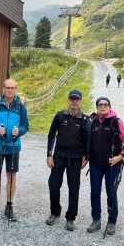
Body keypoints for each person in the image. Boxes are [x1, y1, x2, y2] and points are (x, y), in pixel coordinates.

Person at [0, 79, 29, 221]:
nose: (10, 90)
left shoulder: (21, 107)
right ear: (3, 88)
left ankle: (9, 207)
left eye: (12, 88)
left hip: (13, 146)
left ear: (16, 89)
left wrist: (19, 131)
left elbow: (25, 125)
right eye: (7, 87)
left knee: (11, 176)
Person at [87, 96, 124, 235]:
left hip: (112, 165)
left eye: (105, 104)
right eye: (100, 104)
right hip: (95, 163)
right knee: (94, 192)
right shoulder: (93, 121)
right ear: (97, 107)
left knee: (111, 192)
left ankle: (112, 222)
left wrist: (119, 157)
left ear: (109, 107)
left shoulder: (116, 122)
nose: (102, 106)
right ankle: (96, 220)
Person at [45, 90, 90, 231]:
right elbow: (51, 135)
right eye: (72, 99)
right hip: (59, 155)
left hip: (76, 158)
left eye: (77, 99)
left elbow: (88, 140)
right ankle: (54, 212)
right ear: (68, 100)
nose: (74, 102)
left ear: (81, 101)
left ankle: (70, 218)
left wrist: (86, 157)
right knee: (53, 184)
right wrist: (49, 154)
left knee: (74, 188)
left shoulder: (85, 119)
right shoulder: (59, 115)